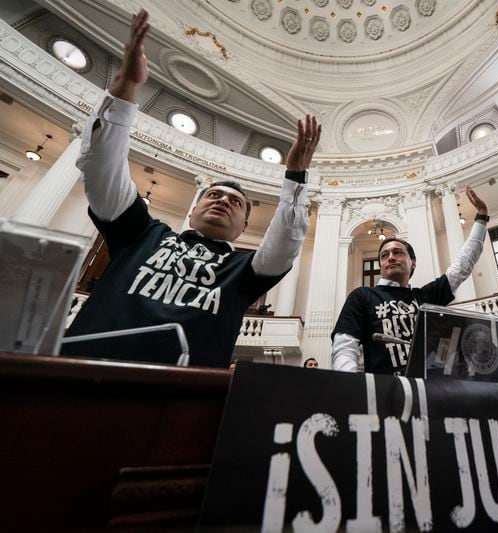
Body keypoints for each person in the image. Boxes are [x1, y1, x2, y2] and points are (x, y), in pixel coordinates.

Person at [61, 10, 321, 368]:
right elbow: (101, 170)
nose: (223, 201)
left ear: (245, 226)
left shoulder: (243, 270)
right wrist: (124, 90)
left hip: (177, 399)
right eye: (214, 195)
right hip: (82, 373)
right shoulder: (142, 234)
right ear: (194, 207)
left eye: (235, 202)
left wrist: (295, 175)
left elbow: (286, 244)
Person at [331, 186, 489, 375]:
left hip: (427, 390)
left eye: (398, 252)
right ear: (380, 265)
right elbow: (345, 345)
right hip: (384, 392)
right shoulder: (362, 296)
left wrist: (481, 218)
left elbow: (462, 267)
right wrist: (350, 385)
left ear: (412, 263)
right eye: (384, 255)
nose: (390, 257)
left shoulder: (425, 297)